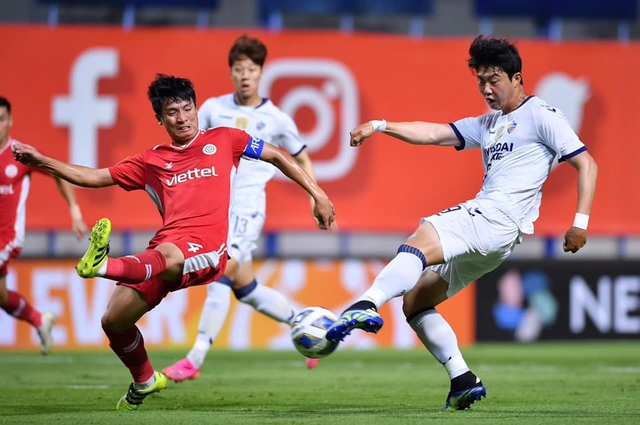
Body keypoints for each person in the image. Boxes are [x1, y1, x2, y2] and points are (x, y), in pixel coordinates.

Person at [11, 74, 335, 411]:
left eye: (187, 108)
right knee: (113, 321)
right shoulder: (150, 160)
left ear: (197, 108)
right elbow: (93, 177)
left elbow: (279, 156)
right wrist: (41, 161)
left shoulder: (226, 139)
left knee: (169, 256)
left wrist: (319, 195)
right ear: (160, 118)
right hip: (164, 249)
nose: (182, 118)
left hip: (207, 250)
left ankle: (102, 264)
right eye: (172, 112)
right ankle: (146, 379)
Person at [325, 35, 598, 410]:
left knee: (420, 240)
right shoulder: (489, 123)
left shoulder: (542, 115)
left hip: (494, 216)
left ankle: (365, 304)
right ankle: (463, 379)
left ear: (517, 78)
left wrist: (580, 223)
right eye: (481, 81)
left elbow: (586, 163)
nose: (487, 89)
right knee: (415, 302)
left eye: (495, 79)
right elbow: (434, 133)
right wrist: (381, 124)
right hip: (499, 239)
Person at [163, 35, 323, 382]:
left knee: (219, 272)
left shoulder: (276, 118)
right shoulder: (211, 108)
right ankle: (312, 326)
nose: (245, 75)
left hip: (247, 209)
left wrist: (314, 196)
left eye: (251, 69)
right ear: (231, 73)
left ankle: (195, 358)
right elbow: (191, 148)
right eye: (238, 69)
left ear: (261, 72)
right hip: (215, 209)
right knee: (247, 289)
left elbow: (302, 157)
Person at [0, 97, 87, 355]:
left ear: (10, 121)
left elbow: (57, 172)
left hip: (8, 237)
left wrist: (74, 209)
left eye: (1, 119)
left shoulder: (20, 153)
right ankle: (40, 320)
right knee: (3, 297)